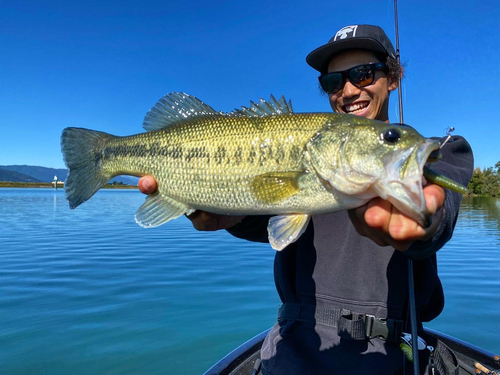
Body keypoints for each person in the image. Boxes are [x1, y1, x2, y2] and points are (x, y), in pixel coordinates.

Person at [139, 25, 473, 374]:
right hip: (291, 351)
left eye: (363, 74)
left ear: (392, 78)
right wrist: (229, 216)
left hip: (392, 359)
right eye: (333, 82)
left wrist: (424, 221)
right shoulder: (320, 160)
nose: (348, 90)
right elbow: (269, 220)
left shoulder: (438, 152)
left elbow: (440, 213)